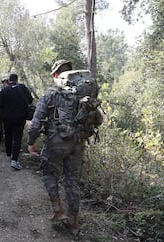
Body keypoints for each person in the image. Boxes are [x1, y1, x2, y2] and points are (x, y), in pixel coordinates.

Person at [27, 59, 100, 236]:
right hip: (78, 142)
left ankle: (58, 210)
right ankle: (74, 222)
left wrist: (31, 142)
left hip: (56, 141)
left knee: (48, 172)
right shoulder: (82, 93)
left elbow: (37, 122)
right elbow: (98, 120)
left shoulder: (51, 93)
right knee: (72, 180)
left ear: (56, 74)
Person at [0, 73, 33, 170]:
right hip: (20, 118)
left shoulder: (4, 91)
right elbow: (30, 100)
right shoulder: (23, 89)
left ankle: (8, 154)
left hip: (7, 118)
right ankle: (14, 160)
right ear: (17, 79)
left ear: (9, 80)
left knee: (8, 135)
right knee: (17, 138)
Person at [0, 78, 9, 143]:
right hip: (7, 112)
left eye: (4, 83)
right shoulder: (2, 90)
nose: (3, 84)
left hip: (2, 112)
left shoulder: (3, 92)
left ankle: (1, 139)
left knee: (1, 126)